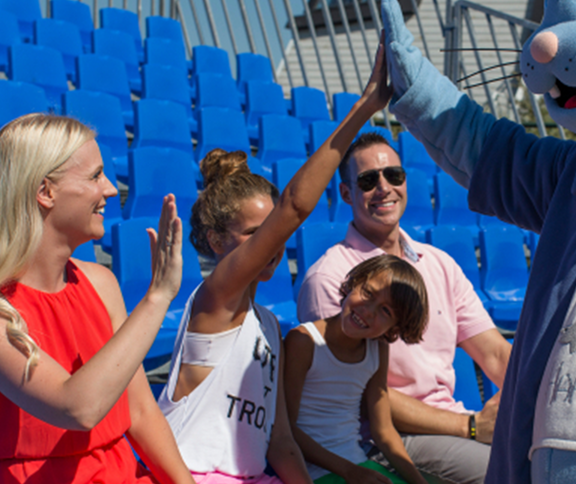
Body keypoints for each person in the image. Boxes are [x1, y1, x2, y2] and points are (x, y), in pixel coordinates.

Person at [157, 42, 391, 484]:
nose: (271, 246)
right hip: (190, 474)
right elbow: (294, 209)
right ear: (215, 240)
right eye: (255, 235)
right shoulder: (213, 301)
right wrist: (363, 108)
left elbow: (280, 440)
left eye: (271, 234)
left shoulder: (267, 326)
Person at [296, 133, 513, 484]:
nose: (384, 188)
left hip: (452, 427)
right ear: (347, 194)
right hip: (383, 441)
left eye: (393, 176)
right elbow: (356, 394)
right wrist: (469, 426)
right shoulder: (330, 277)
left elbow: (496, 355)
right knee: (509, 473)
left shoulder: (440, 264)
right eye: (368, 181)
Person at [0, 114, 194, 484]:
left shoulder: (101, 283)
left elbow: (139, 409)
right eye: (94, 176)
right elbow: (77, 408)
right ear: (46, 192)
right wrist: (157, 296)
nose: (109, 189)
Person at [285, 255, 430, 484]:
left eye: (386, 311)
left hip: (358, 466)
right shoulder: (303, 342)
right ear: (354, 283)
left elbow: (383, 431)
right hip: (312, 473)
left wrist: (418, 482)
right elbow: (286, 430)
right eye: (368, 293)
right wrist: (350, 472)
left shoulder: (377, 349)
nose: (368, 311)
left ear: (395, 328)